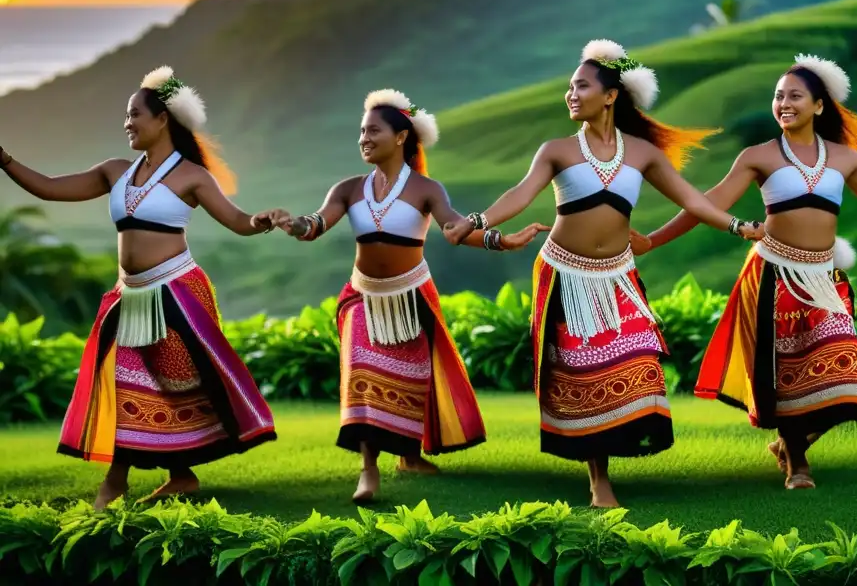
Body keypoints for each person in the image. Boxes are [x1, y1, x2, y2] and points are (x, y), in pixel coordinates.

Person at [633, 53, 857, 490]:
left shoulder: (845, 159)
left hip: (823, 278)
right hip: (774, 275)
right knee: (788, 375)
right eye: (778, 96)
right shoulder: (758, 157)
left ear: (819, 106)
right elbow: (707, 203)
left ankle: (790, 445)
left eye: (795, 96)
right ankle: (797, 464)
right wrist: (651, 241)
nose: (784, 103)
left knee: (846, 373)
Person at [444, 39, 763, 508]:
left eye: (581, 86)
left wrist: (740, 226)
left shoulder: (642, 153)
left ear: (610, 95)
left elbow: (694, 201)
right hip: (566, 275)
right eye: (569, 87)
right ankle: (599, 481)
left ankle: (614, 454)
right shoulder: (555, 150)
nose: (571, 94)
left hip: (617, 277)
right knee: (581, 371)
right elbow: (520, 193)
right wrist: (478, 222)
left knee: (637, 361)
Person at [0, 67, 277, 510]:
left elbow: (237, 221)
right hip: (129, 295)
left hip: (177, 293)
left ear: (162, 118)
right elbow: (51, 190)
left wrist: (260, 222)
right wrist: (5, 159)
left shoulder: (192, 176)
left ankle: (137, 479)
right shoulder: (115, 172)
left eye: (134, 114)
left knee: (177, 385)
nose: (127, 123)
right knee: (128, 381)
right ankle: (160, 477)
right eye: (125, 116)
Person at [256, 89, 548, 503]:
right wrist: (291, 223)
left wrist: (502, 240)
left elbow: (454, 230)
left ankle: (410, 456)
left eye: (373, 130)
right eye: (360, 131)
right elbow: (316, 225)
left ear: (400, 137)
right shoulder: (349, 188)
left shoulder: (426, 189)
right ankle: (368, 470)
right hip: (362, 296)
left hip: (410, 296)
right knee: (364, 379)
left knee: (409, 383)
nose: (363, 138)